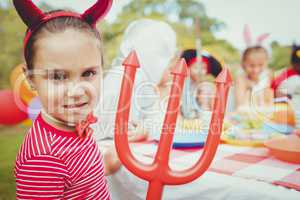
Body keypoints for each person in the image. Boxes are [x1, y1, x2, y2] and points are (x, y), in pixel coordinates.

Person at [13, 0, 113, 199]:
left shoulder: (74, 124)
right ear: (31, 79)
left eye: (88, 73)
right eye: (58, 76)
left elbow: (84, 177)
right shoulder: (42, 160)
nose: (76, 91)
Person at [93, 19, 178, 166]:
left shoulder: (146, 84)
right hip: (105, 164)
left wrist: (146, 129)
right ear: (154, 59)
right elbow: (111, 132)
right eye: (168, 63)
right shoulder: (119, 80)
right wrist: (144, 129)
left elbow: (157, 121)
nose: (171, 71)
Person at [180, 49, 222, 119]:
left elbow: (211, 106)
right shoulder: (184, 83)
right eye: (196, 67)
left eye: (203, 68)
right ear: (188, 68)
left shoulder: (204, 86)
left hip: (198, 118)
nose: (200, 72)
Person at [234, 46, 273, 110]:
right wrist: (250, 88)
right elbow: (239, 106)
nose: (256, 70)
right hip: (244, 115)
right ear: (243, 64)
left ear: (266, 63)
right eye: (251, 66)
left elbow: (269, 102)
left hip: (263, 114)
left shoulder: (267, 78)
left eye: (260, 65)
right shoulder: (241, 80)